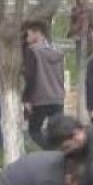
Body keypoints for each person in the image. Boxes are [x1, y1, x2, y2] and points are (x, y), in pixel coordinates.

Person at [21, 20, 65, 149]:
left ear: (37, 33)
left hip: (39, 98)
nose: (26, 38)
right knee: (57, 131)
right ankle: (60, 152)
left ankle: (52, 151)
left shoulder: (33, 52)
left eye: (28, 34)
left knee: (34, 130)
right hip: (57, 97)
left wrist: (27, 99)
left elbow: (30, 76)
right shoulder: (57, 52)